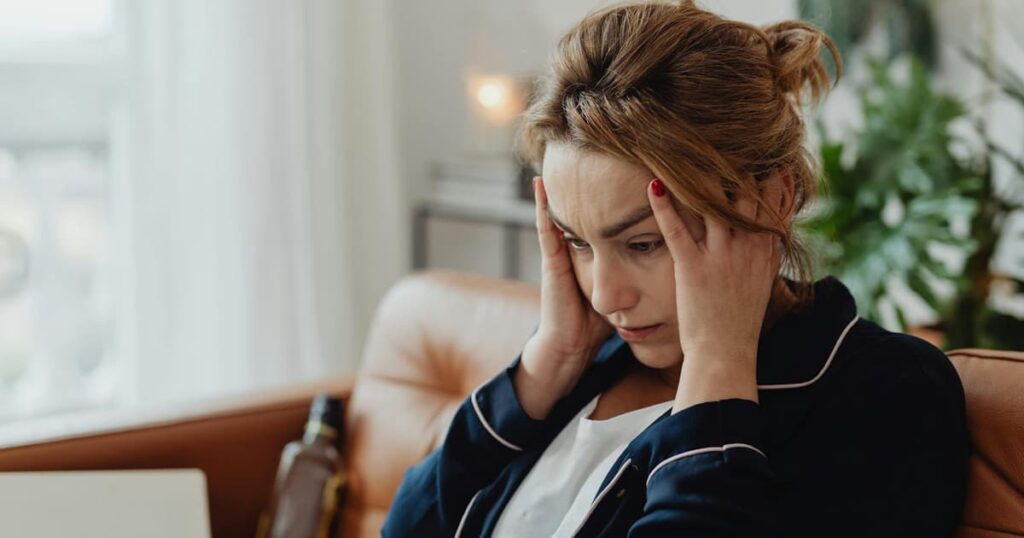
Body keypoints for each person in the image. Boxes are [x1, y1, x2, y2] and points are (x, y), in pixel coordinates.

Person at [382, 1, 969, 536]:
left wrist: (719, 367)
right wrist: (547, 363)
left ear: (772, 200)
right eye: (577, 242)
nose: (606, 296)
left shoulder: (885, 393)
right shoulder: (590, 366)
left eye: (642, 244)